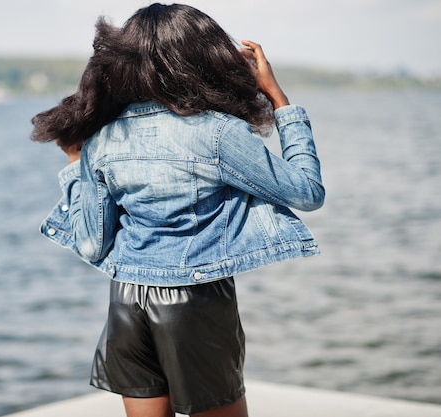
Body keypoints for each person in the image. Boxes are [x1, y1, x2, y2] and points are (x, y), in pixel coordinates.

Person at [31, 3, 324, 416]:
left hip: (127, 301)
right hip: (195, 300)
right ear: (204, 57)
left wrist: (74, 167)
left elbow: (92, 244)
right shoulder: (217, 132)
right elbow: (307, 191)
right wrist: (279, 100)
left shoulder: (104, 139)